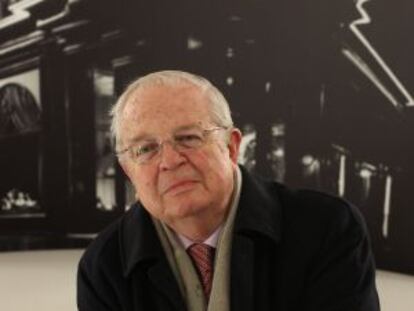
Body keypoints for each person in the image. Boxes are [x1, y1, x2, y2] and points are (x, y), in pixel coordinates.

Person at [77, 70, 380, 311]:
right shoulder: (104, 265)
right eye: (145, 149)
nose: (169, 161)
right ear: (129, 171)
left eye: (188, 138)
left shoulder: (327, 229)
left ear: (231, 146)